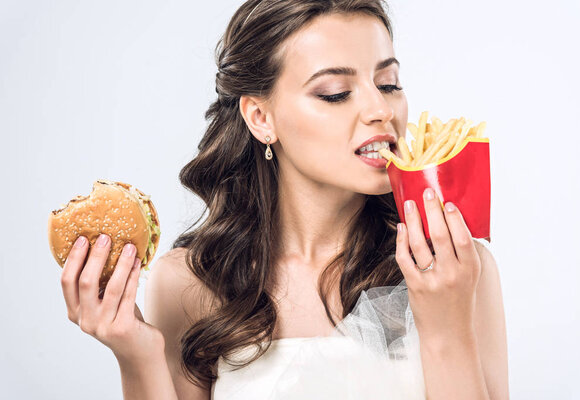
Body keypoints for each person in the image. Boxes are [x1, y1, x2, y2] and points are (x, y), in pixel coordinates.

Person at [60, 1, 509, 399]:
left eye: (389, 83)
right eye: (335, 92)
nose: (381, 110)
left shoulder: (456, 269)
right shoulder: (189, 283)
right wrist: (136, 355)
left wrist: (447, 331)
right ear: (260, 117)